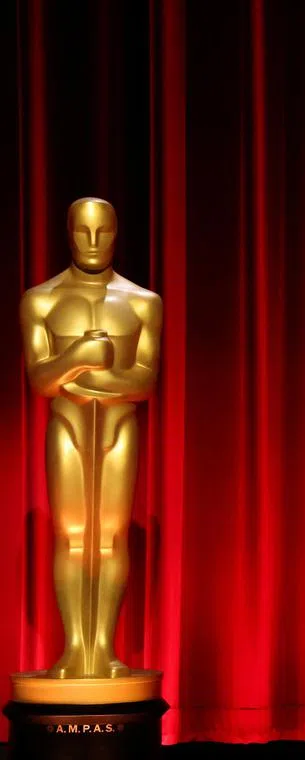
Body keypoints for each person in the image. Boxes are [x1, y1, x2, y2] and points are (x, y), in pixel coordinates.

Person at [20, 197, 163, 678]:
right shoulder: (42, 300)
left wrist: (80, 379)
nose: (94, 242)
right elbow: (41, 381)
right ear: (69, 233)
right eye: (84, 231)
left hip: (119, 429)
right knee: (72, 537)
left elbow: (143, 383)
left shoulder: (142, 303)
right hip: (67, 426)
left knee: (111, 538)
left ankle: (103, 650)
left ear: (117, 232)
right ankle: (74, 649)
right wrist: (80, 354)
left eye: (103, 231)